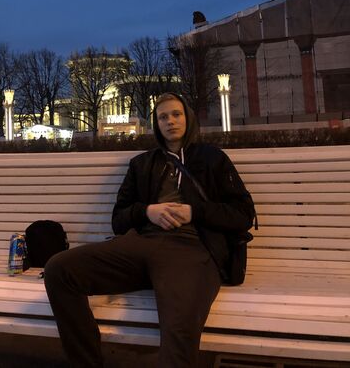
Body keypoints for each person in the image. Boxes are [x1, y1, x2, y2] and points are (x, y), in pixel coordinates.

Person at [44, 93, 255, 368]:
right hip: (141, 244)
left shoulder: (212, 158)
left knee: (178, 329)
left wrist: (195, 211)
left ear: (188, 118)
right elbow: (119, 220)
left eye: (176, 114)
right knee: (59, 269)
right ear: (156, 124)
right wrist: (147, 211)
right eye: (163, 117)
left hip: (192, 251)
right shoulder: (142, 164)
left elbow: (243, 214)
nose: (170, 121)